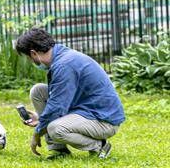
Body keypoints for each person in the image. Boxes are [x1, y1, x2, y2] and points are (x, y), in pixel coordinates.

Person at [15, 28, 125, 159]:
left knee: (55, 128)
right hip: (86, 109)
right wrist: (41, 119)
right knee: (38, 91)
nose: (30, 61)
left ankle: (99, 146)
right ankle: (58, 150)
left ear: (33, 54)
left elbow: (57, 107)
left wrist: (37, 133)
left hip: (103, 120)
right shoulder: (61, 56)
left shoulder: (64, 65)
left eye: (28, 57)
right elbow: (58, 100)